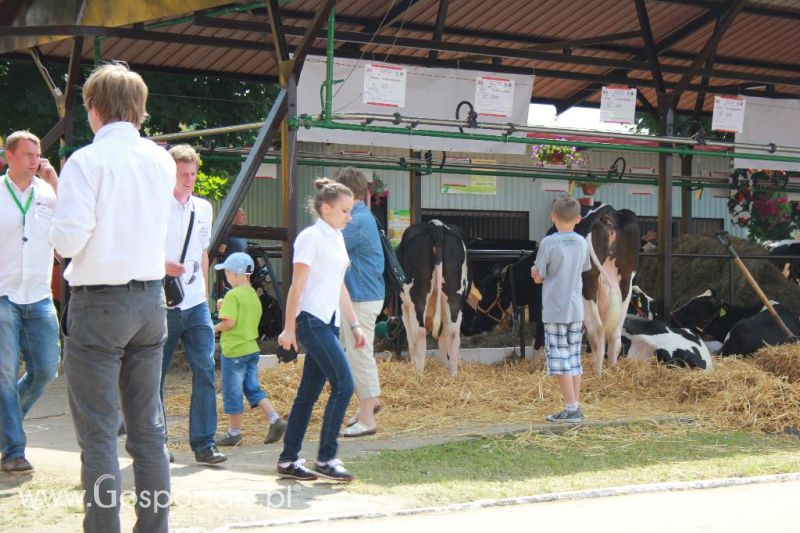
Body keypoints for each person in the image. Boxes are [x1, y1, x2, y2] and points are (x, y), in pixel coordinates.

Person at [50, 63, 175, 533]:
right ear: (139, 109)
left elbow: (68, 242)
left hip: (99, 303)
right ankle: (154, 526)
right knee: (148, 429)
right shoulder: (161, 160)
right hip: (149, 302)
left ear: (94, 109)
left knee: (99, 431)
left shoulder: (85, 162)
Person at [276, 179, 367, 482]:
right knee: (344, 384)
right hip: (311, 320)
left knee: (308, 394)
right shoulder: (310, 237)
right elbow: (296, 286)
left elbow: (338, 285)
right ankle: (326, 458)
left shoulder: (337, 237)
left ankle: (288, 460)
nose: (349, 216)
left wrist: (354, 324)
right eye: (344, 210)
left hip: (329, 321)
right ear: (325, 208)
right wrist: (289, 329)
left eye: (350, 210)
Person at [160, 144, 226, 465]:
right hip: (163, 301)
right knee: (155, 375)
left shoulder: (203, 208)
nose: (188, 179)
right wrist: (162, 266)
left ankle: (204, 443)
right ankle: (156, 442)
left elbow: (203, 251)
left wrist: (207, 287)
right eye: (182, 174)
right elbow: (139, 249)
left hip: (196, 300)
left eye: (192, 174)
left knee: (205, 368)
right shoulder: (155, 206)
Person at [0, 131, 60, 474]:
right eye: (27, 154)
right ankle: (13, 450)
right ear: (9, 156)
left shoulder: (48, 192)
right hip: (4, 293)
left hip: (38, 295)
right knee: (4, 374)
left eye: (37, 154)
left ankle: (6, 424)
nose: (35, 160)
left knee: (46, 370)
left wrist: (56, 181)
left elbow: (71, 228)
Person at [213, 252, 287, 446]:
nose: (227, 277)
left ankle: (234, 433)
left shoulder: (232, 295)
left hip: (234, 352)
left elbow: (229, 323)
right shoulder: (253, 295)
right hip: (251, 349)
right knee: (252, 387)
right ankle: (274, 419)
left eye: (227, 273)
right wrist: (224, 305)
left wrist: (213, 328)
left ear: (234, 273)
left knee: (232, 391)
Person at [531, 195, 591, 424]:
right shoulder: (582, 242)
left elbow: (540, 277)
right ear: (578, 218)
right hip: (576, 309)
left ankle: (571, 408)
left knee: (560, 360)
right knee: (574, 359)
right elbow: (583, 268)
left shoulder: (549, 243)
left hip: (555, 309)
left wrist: (535, 274)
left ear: (553, 216)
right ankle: (574, 406)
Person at [333, 167, 384, 437]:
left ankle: (367, 419)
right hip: (363, 295)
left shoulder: (357, 221)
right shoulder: (362, 217)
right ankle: (370, 403)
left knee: (359, 353)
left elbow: (330, 243)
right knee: (359, 353)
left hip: (361, 297)